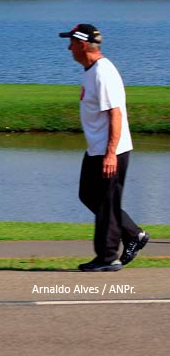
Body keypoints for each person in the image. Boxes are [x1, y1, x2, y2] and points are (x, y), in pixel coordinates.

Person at [61, 23, 149, 272]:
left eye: (71, 43)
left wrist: (111, 153)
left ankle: (108, 257)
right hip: (96, 149)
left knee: (107, 202)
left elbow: (116, 114)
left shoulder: (103, 72)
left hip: (112, 151)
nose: (68, 48)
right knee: (89, 195)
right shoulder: (91, 71)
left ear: (82, 45)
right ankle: (133, 234)